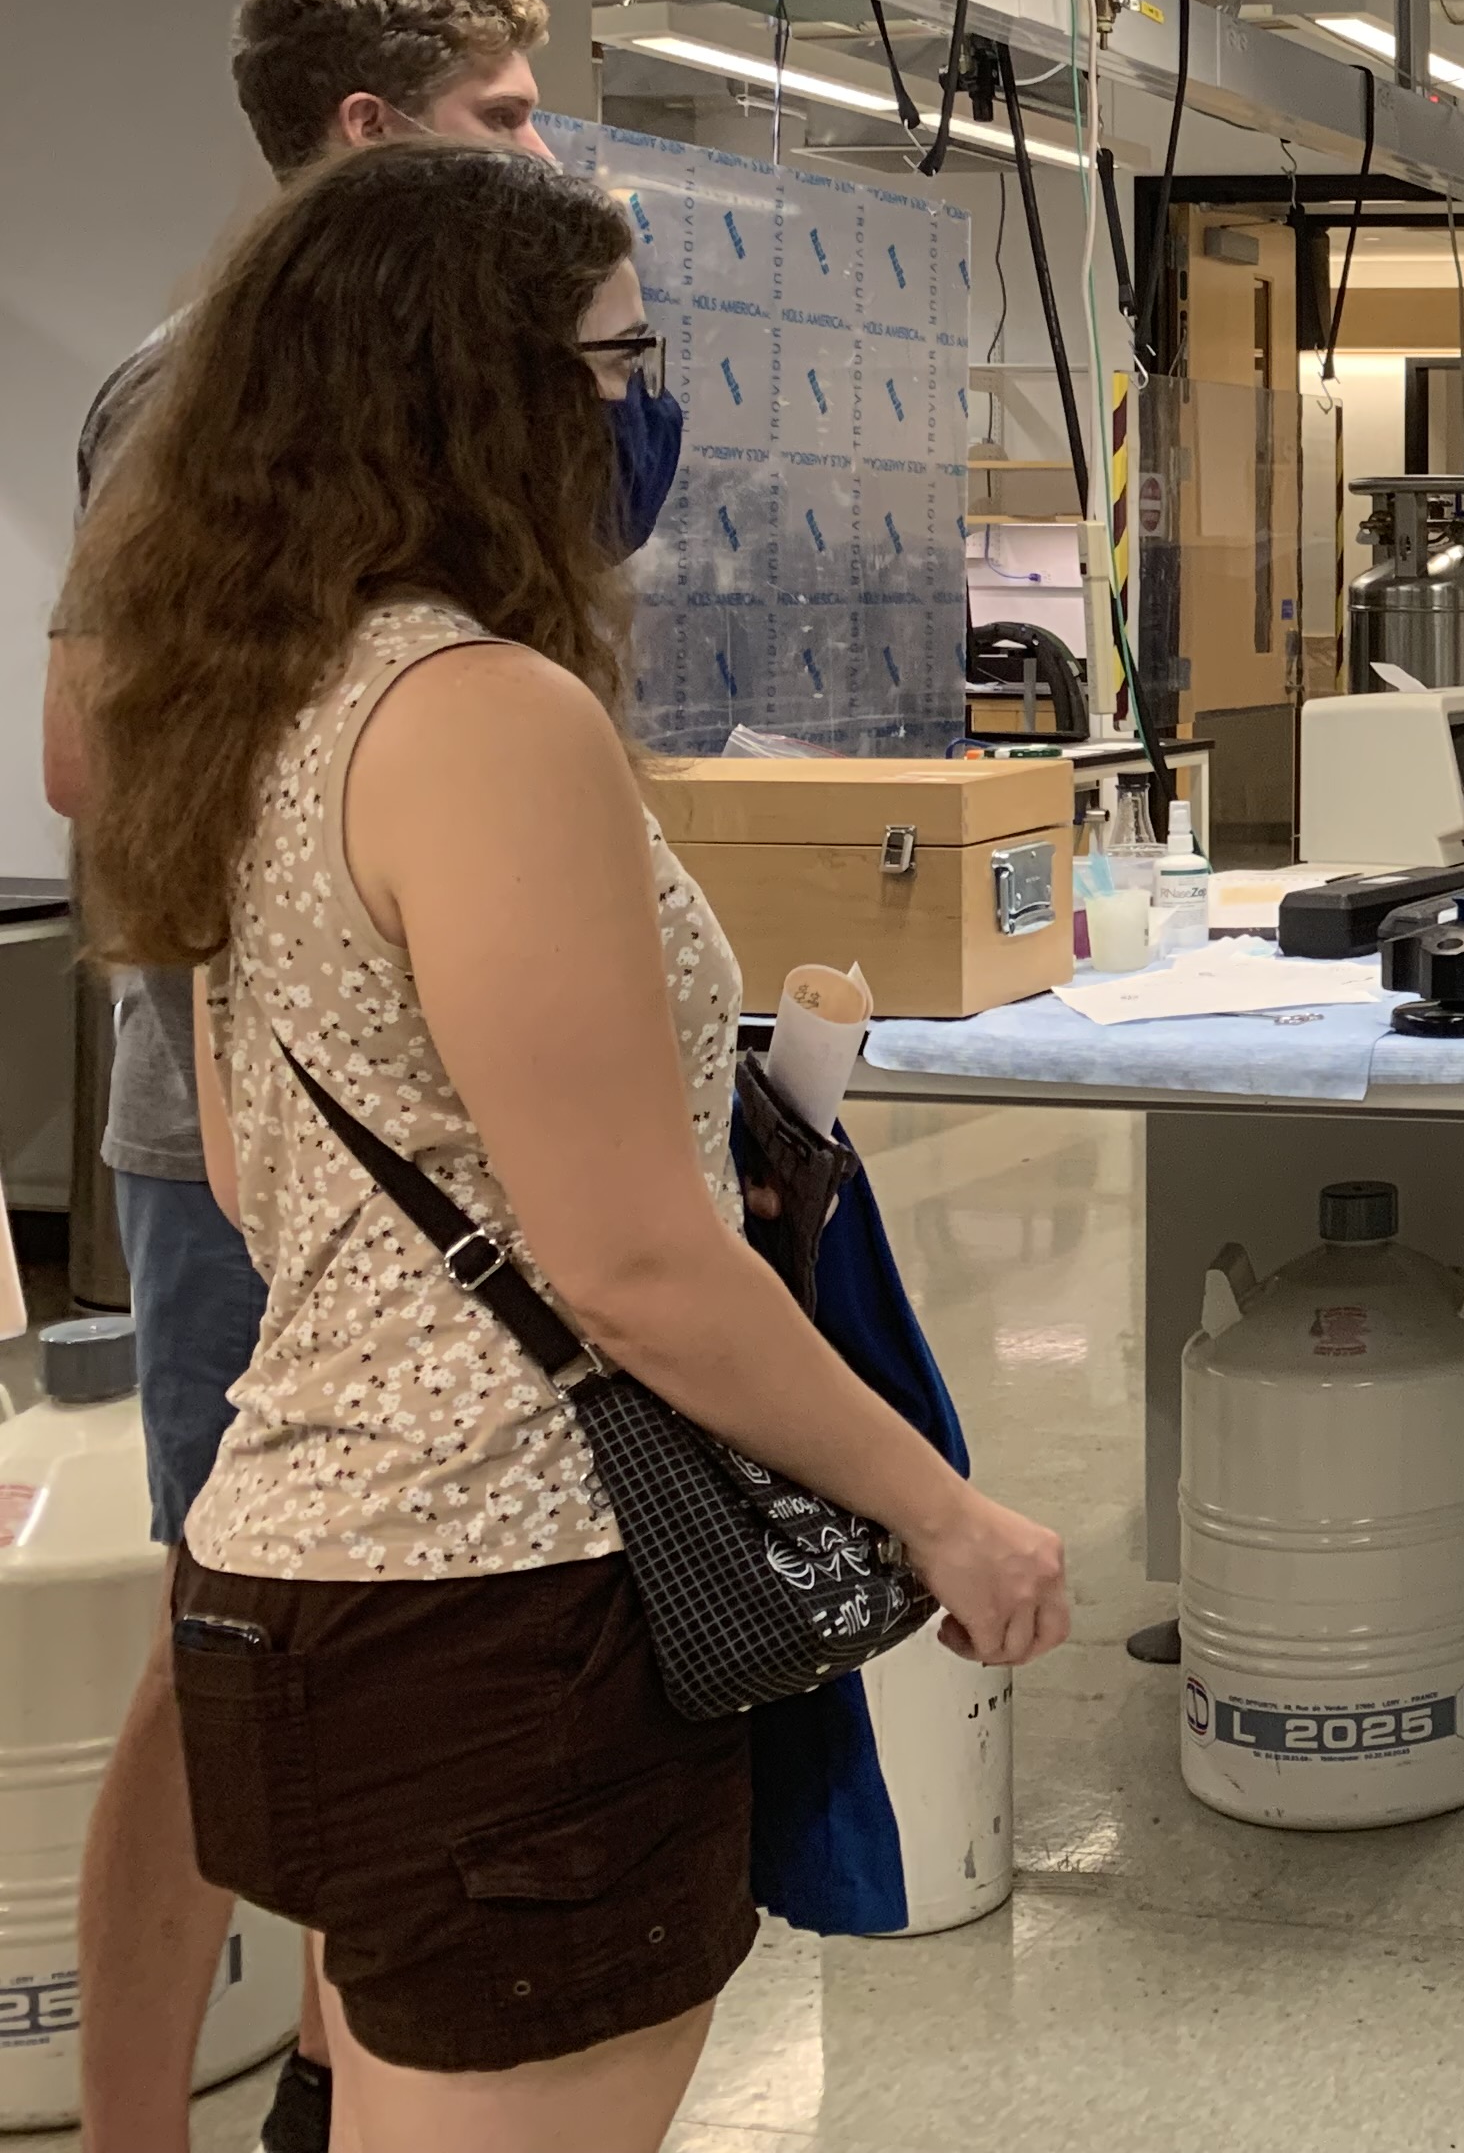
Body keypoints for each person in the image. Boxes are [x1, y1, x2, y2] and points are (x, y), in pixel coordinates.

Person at [66, 141, 1072, 2153]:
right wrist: (943, 1509)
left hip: (296, 1578)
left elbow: (274, 1191)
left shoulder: (235, 696)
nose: (643, 411)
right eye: (613, 364)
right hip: (513, 1612)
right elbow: (628, 1268)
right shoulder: (482, 717)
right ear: (472, 389)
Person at [55, 0, 560, 2153]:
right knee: (224, 1654)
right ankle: (152, 2119)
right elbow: (95, 761)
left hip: (440, 1131)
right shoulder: (197, 391)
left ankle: (351, 2081)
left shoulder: (466, 396)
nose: (541, 152)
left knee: (399, 1659)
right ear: (374, 134)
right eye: (506, 120)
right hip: (241, 1132)